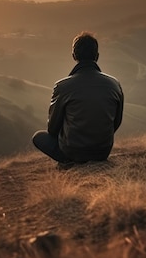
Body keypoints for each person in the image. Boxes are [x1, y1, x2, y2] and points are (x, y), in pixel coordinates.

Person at [32, 31, 124, 167]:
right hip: (103, 152)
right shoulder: (114, 84)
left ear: (74, 56)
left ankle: (68, 162)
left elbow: (52, 129)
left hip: (73, 152)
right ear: (97, 56)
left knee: (38, 137)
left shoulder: (62, 86)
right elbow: (116, 122)